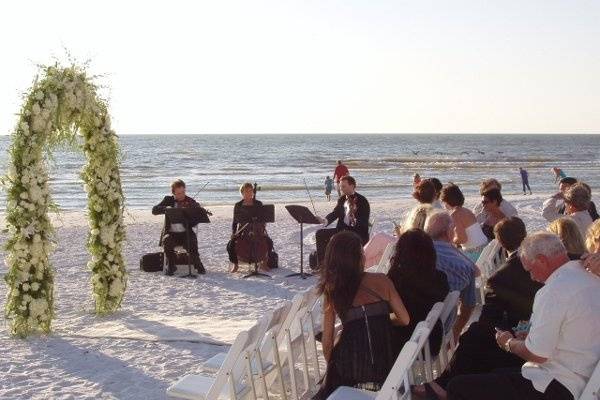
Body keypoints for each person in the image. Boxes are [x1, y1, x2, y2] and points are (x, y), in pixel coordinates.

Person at [447, 232, 600, 400]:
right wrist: (528, 337)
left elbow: (537, 355)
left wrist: (508, 343)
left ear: (542, 260)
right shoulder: (590, 277)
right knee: (492, 370)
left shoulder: (554, 289)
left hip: (559, 384)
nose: (532, 277)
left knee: (459, 387)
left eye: (531, 270)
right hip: (583, 375)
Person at [415, 217, 543, 399]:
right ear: (524, 235)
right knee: (476, 336)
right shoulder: (543, 268)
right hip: (538, 338)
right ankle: (444, 383)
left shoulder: (501, 277)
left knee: (474, 336)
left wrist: (507, 339)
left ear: (499, 242)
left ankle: (445, 385)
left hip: (531, 349)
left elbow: (487, 322)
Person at [313, 231, 410, 399]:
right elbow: (405, 319)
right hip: (385, 365)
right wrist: (379, 319)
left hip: (350, 367)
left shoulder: (333, 289)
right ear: (359, 257)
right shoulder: (382, 280)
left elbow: (327, 341)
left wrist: (332, 368)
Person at [387, 229, 449, 356]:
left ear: (401, 252)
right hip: (432, 340)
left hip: (406, 345)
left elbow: (388, 313)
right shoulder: (440, 278)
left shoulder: (396, 280)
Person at [424, 211, 478, 340]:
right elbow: (469, 304)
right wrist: (456, 331)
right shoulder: (464, 266)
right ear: (449, 233)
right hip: (440, 329)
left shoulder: (411, 255)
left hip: (408, 327)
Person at [152, 179, 206, 275]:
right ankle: (172, 266)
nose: (182, 195)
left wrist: (192, 213)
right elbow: (154, 210)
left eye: (183, 192)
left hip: (186, 233)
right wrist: (166, 208)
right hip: (172, 234)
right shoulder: (168, 200)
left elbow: (196, 219)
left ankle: (198, 264)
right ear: (173, 193)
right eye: (179, 193)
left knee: (192, 241)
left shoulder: (190, 201)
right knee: (167, 240)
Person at [227, 182, 274, 273]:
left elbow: (263, 218)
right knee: (230, 245)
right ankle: (235, 264)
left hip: (257, 230)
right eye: (246, 191)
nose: (249, 193)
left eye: (250, 191)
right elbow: (235, 221)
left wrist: (262, 225)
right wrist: (233, 232)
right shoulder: (238, 205)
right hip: (243, 230)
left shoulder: (258, 203)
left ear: (253, 192)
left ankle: (264, 263)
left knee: (269, 242)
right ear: (242, 192)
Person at [440, 184, 489, 261]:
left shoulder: (455, 215)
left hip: (475, 253)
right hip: (485, 248)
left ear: (447, 201)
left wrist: (449, 240)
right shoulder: (466, 210)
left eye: (443, 202)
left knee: (447, 258)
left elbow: (463, 239)